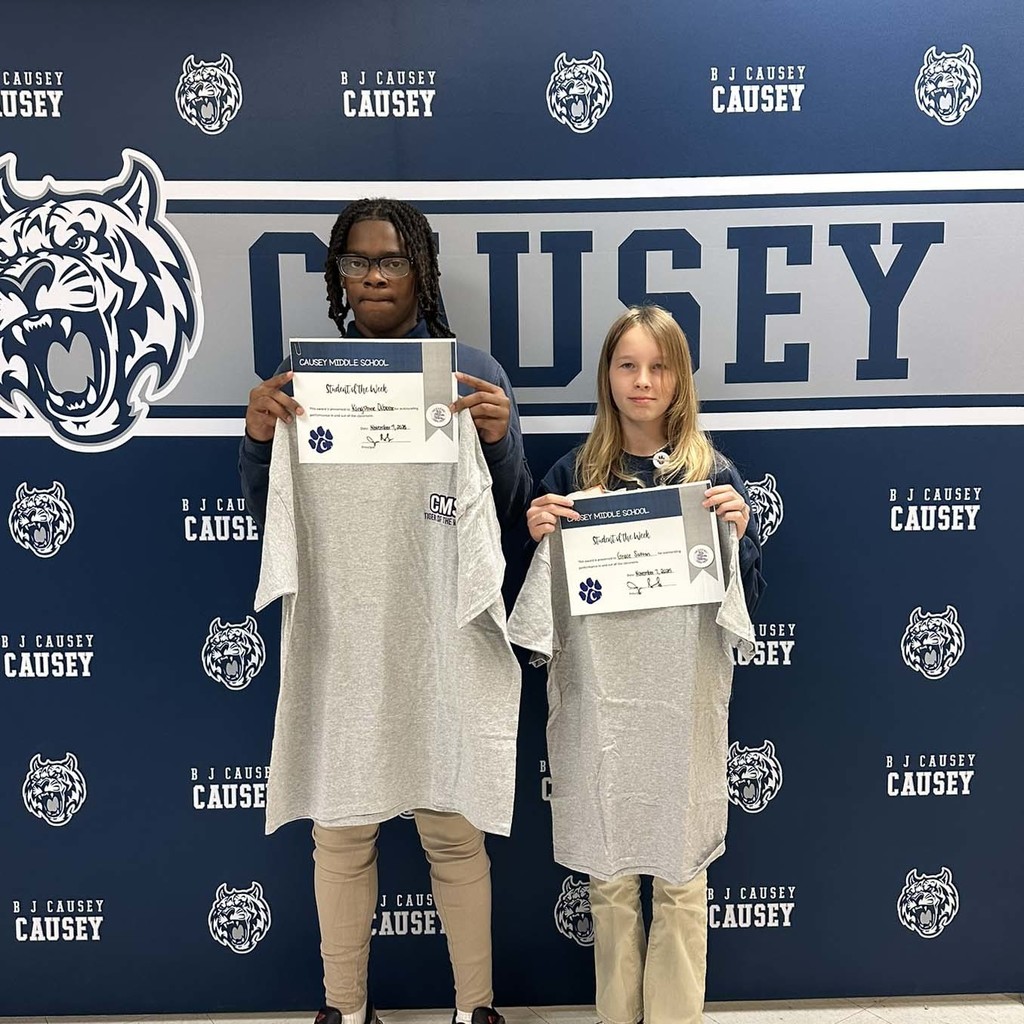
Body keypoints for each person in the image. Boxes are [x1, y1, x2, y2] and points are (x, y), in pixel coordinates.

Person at [239, 199, 531, 1024]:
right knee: (341, 826)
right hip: (346, 631)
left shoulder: (471, 371)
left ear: (422, 271)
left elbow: (504, 512)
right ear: (337, 274)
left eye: (392, 261)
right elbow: (272, 512)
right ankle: (344, 1008)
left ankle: (476, 1008)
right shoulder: (303, 379)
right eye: (358, 262)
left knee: (451, 823)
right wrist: (261, 439)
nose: (373, 276)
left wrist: (503, 438)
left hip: (442, 632)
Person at [508, 304, 764, 1024]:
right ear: (607, 376)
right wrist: (536, 537)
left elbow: (747, 598)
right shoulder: (571, 471)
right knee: (612, 877)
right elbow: (537, 605)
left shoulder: (713, 474)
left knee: (682, 879)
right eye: (628, 365)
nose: (643, 381)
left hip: (680, 707)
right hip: (602, 707)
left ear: (680, 379)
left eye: (658, 367)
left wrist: (740, 538)